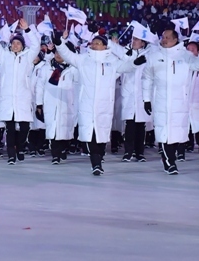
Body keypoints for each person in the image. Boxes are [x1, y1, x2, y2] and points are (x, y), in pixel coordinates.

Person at [54, 29, 142, 176]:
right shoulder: (83, 59)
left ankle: (99, 157)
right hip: (87, 104)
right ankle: (96, 163)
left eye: (98, 43)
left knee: (101, 136)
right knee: (90, 135)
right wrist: (59, 43)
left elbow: (125, 66)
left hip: (104, 105)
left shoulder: (112, 62)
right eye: (93, 43)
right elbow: (67, 55)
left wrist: (136, 63)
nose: (94, 45)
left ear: (105, 46)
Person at [142, 28, 199, 175]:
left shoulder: (185, 55)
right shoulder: (154, 56)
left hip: (180, 101)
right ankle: (169, 162)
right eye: (163, 37)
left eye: (167, 37)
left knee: (177, 134)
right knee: (164, 132)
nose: (164, 40)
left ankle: (171, 157)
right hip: (161, 100)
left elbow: (198, 65)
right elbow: (147, 79)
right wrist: (146, 99)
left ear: (175, 39)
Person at [0, 18, 41, 165]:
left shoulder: (28, 57)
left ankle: (20, 148)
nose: (15, 45)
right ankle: (11, 154)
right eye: (13, 43)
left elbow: (36, 45)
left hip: (23, 98)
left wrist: (27, 30)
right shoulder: (5, 56)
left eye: (18, 43)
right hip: (8, 99)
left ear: (23, 46)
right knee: (10, 129)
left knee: (24, 128)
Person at [35, 47, 78, 164]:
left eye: (61, 52)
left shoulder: (73, 69)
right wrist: (39, 104)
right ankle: (55, 155)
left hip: (67, 104)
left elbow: (78, 87)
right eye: (56, 52)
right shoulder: (47, 68)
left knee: (65, 129)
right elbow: (39, 86)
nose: (58, 55)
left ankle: (63, 149)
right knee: (53, 129)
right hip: (51, 104)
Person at [119, 36, 152, 162]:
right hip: (129, 94)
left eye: (137, 40)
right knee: (130, 125)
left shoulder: (148, 55)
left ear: (143, 43)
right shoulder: (126, 54)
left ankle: (139, 153)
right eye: (133, 39)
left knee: (141, 126)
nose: (134, 42)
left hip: (141, 95)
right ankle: (128, 152)